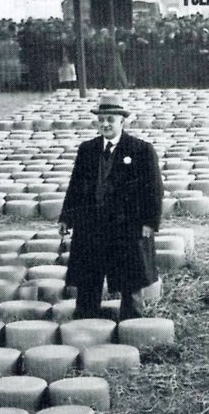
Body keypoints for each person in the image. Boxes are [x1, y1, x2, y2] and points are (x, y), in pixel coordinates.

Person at [57, 94, 163, 320]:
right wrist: (66, 217)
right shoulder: (87, 149)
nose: (105, 124)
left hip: (126, 226)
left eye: (110, 119)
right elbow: (75, 186)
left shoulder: (141, 150)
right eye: (101, 119)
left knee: (130, 279)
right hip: (91, 226)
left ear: (122, 121)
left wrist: (149, 222)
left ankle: (131, 324)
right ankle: (87, 322)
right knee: (88, 278)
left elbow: (153, 189)